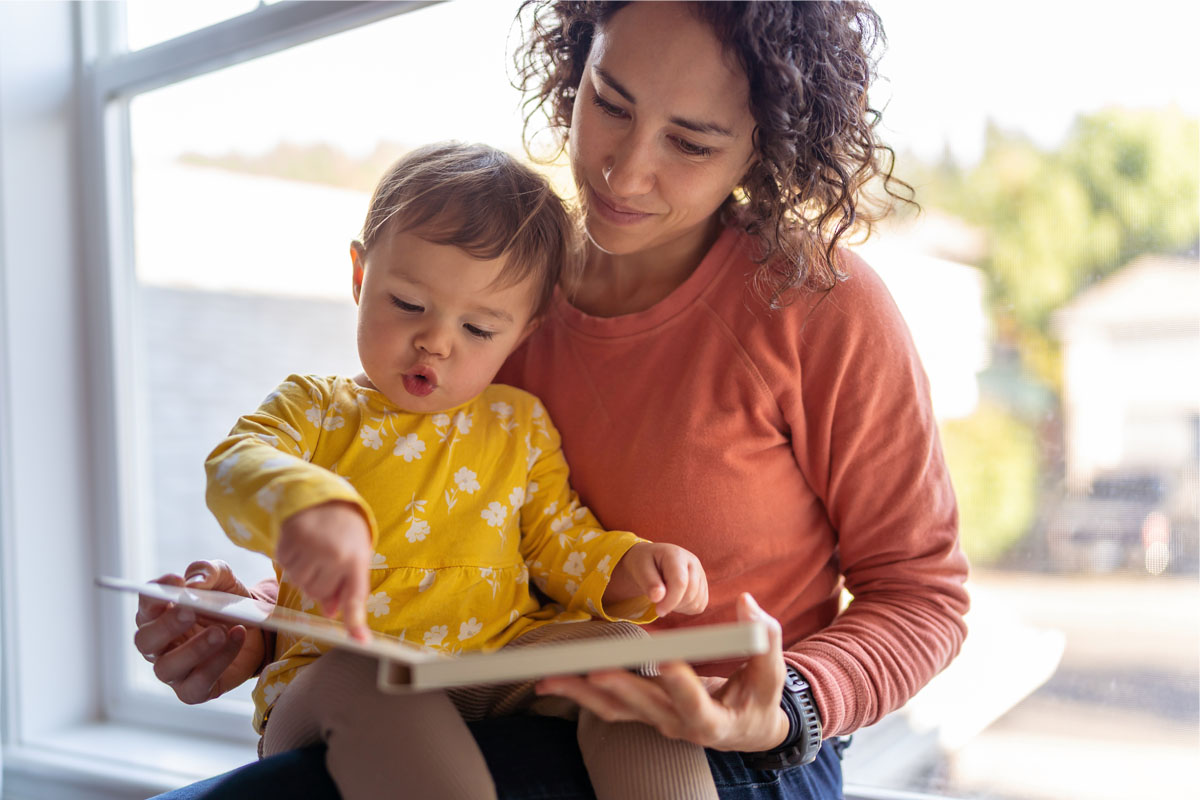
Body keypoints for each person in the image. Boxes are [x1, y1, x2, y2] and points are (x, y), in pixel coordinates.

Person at [135, 2, 970, 798]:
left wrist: (790, 702)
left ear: (765, 147)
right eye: (608, 102)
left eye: (690, 142)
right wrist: (254, 625)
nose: (625, 167)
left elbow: (923, 595)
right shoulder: (495, 295)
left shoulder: (820, 306)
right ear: (576, 62)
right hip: (499, 696)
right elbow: (423, 529)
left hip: (734, 754)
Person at [191, 140, 718, 800]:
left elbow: (562, 543)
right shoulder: (318, 409)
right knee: (371, 673)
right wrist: (307, 506)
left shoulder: (518, 425)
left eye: (479, 328)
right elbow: (235, 464)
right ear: (360, 276)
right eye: (408, 304)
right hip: (332, 681)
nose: (436, 341)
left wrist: (628, 570)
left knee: (624, 648)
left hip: (492, 664)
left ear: (524, 332)